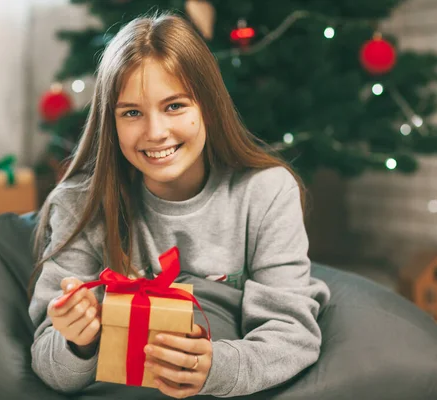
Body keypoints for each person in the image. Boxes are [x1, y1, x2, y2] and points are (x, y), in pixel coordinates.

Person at [28, 11, 330, 399]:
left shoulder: (266, 192)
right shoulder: (80, 205)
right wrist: (77, 342)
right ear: (110, 122)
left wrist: (214, 367)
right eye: (132, 113)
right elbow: (49, 364)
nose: (155, 133)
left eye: (175, 106)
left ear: (208, 106)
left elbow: (294, 335)